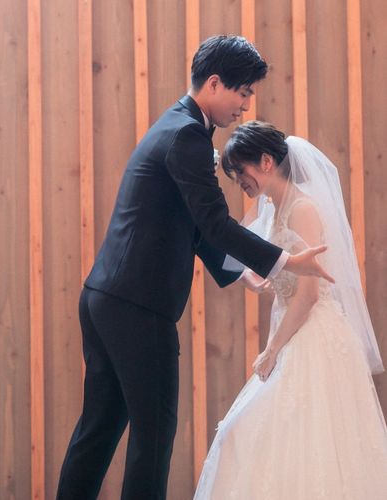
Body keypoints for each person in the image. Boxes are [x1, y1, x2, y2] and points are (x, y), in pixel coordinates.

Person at [56, 35, 333, 500]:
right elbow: (215, 222)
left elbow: (195, 225)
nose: (246, 105)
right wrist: (285, 261)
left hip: (106, 298)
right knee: (154, 433)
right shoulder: (186, 135)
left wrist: (242, 272)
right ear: (215, 83)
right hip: (139, 306)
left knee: (99, 428)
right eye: (242, 92)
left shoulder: (179, 127)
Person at [193, 121, 387, 499]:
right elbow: (264, 271)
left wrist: (272, 349)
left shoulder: (302, 209)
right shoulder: (272, 209)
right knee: (254, 438)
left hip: (312, 337)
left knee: (304, 442)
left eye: (241, 171)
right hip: (289, 333)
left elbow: (309, 294)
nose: (238, 181)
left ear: (266, 162)